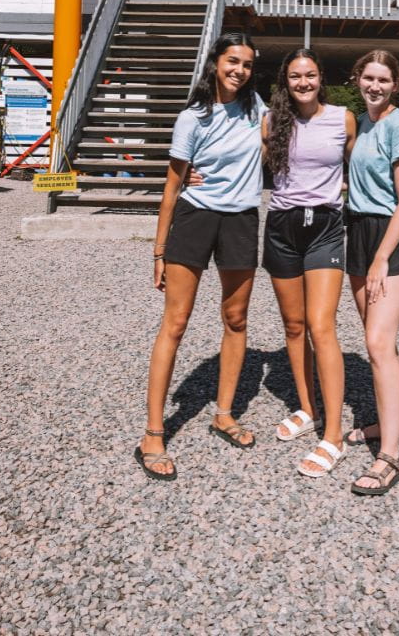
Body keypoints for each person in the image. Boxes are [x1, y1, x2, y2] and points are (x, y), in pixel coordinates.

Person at [134, 33, 265, 481]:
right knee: (175, 322)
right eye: (233, 61)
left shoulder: (257, 110)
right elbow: (171, 188)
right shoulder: (191, 118)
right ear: (216, 63)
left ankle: (224, 413)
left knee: (236, 319)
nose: (240, 70)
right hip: (195, 219)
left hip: (242, 220)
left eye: (247, 64)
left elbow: (295, 129)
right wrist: (158, 249)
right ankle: (153, 432)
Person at [262, 48, 356, 477]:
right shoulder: (271, 122)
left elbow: (360, 164)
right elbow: (242, 162)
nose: (304, 82)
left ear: (322, 78)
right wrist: (193, 174)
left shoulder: (342, 119)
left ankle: (333, 434)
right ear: (286, 80)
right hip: (281, 227)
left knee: (322, 325)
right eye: (296, 76)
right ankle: (307, 407)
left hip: (324, 227)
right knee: (294, 326)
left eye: (311, 75)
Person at [345, 49, 399, 496]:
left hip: (390, 238)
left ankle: (389, 456)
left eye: (383, 80)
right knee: (373, 339)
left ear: (395, 85)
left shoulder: (397, 125)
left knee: (379, 343)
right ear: (358, 79)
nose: (375, 85)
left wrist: (380, 258)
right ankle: (379, 424)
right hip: (358, 231)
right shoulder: (362, 121)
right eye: (369, 77)